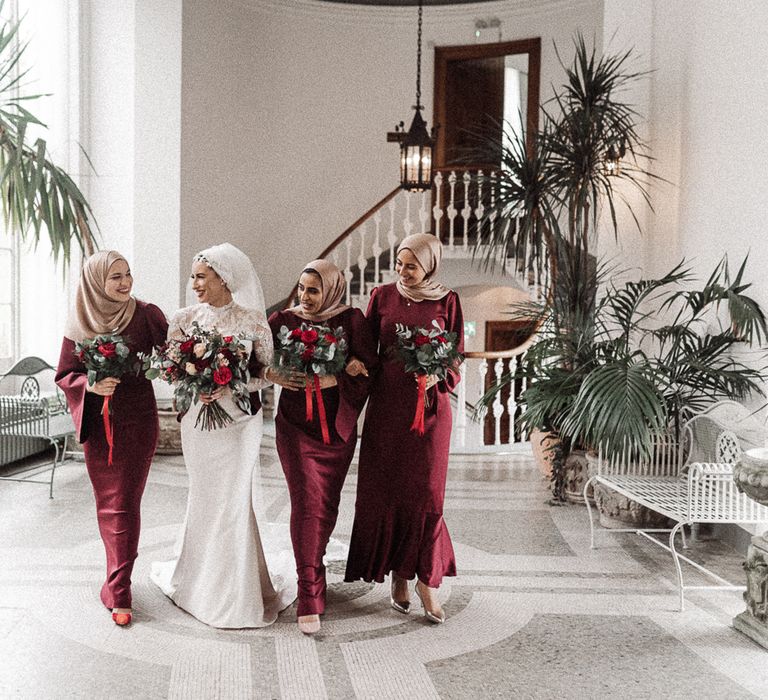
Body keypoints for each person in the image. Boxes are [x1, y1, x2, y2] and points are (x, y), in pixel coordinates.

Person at [150, 243, 295, 628]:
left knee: (234, 500)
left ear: (224, 277)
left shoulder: (251, 321)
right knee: (206, 498)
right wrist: (195, 383)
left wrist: (232, 386)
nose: (194, 283)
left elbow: (266, 374)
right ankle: (199, 582)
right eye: (194, 276)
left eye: (202, 275)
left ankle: (236, 593)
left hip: (239, 424)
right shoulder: (183, 319)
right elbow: (170, 369)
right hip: (198, 422)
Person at [344, 233, 464, 624]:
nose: (402, 272)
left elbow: (456, 356)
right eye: (399, 263)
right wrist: (352, 365)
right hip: (387, 412)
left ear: (429, 264)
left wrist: (438, 375)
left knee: (427, 495)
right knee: (386, 490)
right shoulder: (381, 296)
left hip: (430, 413)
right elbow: (367, 352)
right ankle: (397, 574)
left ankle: (426, 581)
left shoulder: (448, 300)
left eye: (410, 265)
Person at [56, 250, 168, 627]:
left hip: (137, 421)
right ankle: (116, 581)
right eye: (115, 277)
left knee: (125, 503)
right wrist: (91, 385)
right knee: (108, 504)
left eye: (127, 274)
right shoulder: (80, 319)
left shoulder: (147, 315)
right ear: (95, 284)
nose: (124, 283)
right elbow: (65, 374)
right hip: (99, 429)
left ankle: (120, 590)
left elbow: (173, 359)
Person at [266, 259, 377, 634]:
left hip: (337, 429)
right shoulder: (283, 321)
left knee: (327, 506)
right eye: (301, 289)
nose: (305, 297)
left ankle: (315, 567)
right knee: (308, 503)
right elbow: (257, 361)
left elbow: (369, 370)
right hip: (295, 428)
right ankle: (309, 590)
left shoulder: (352, 321)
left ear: (330, 289)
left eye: (313, 290)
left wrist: (338, 379)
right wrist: (274, 374)